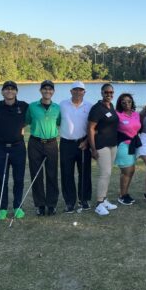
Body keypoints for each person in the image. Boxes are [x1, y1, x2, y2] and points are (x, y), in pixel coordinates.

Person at [0, 81, 28, 220]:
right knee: (2, 179)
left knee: (18, 179)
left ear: (16, 91)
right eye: (6, 89)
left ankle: (18, 206)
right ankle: (3, 208)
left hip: (18, 147)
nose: (9, 91)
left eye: (12, 89)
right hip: (0, 148)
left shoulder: (23, 106)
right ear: (2, 92)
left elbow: (37, 114)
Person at [25, 80, 61, 216]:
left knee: (52, 174)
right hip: (35, 143)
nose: (47, 91)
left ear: (53, 92)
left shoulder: (57, 108)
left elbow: (59, 122)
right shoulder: (32, 107)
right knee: (36, 174)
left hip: (51, 143)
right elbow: (26, 121)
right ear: (41, 91)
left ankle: (51, 204)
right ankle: (40, 205)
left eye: (50, 89)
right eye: (45, 89)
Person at [59, 81, 92, 213]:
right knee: (67, 174)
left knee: (84, 173)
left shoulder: (89, 106)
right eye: (75, 90)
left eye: (81, 90)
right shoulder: (62, 105)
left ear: (84, 92)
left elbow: (93, 126)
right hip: (66, 143)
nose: (78, 92)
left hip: (83, 143)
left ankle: (84, 200)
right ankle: (69, 202)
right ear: (71, 91)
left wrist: (88, 141)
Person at [88, 83, 119, 216]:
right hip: (101, 146)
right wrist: (93, 148)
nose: (109, 94)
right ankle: (99, 204)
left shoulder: (111, 106)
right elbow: (90, 129)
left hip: (113, 145)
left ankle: (104, 199)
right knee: (104, 173)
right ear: (101, 93)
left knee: (108, 173)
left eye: (111, 92)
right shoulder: (96, 108)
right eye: (106, 92)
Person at [115, 93, 142, 205]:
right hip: (122, 145)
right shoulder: (117, 114)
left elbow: (137, 128)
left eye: (129, 101)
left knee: (131, 170)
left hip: (133, 145)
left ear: (132, 102)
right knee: (126, 170)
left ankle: (125, 193)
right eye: (124, 102)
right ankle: (122, 195)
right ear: (120, 104)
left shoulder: (136, 114)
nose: (127, 104)